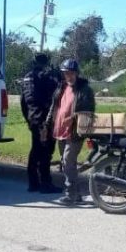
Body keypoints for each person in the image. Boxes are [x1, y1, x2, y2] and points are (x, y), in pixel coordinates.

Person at [43, 58, 95, 206]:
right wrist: (47, 124)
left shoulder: (85, 90)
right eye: (66, 73)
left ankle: (70, 194)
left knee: (67, 162)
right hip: (59, 130)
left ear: (77, 73)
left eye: (71, 73)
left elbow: (89, 111)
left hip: (74, 132)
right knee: (66, 163)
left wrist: (76, 121)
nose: (69, 76)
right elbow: (54, 107)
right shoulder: (61, 87)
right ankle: (76, 194)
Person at [19, 54, 62, 193]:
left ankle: (33, 183)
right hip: (44, 119)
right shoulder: (46, 77)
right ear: (47, 62)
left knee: (36, 149)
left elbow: (23, 101)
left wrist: (29, 119)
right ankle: (45, 183)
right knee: (46, 151)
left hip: (34, 118)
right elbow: (54, 95)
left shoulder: (28, 77)